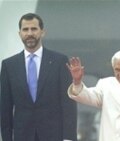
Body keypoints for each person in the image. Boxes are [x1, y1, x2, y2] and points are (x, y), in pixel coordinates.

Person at [0, 13, 77, 141]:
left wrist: (68, 138)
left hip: (53, 135)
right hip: (22, 136)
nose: (29, 33)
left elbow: (68, 104)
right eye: (25, 29)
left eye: (34, 29)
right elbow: (5, 108)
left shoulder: (59, 61)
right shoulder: (9, 65)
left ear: (42, 32)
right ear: (19, 34)